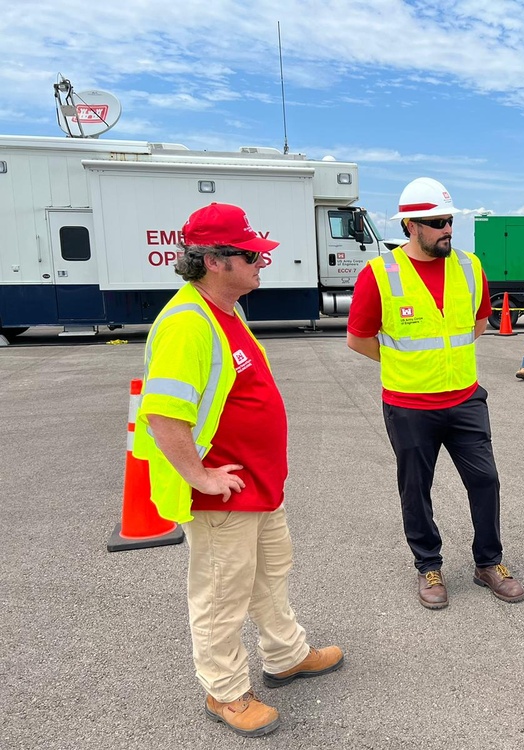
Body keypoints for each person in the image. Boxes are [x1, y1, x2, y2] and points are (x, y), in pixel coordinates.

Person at [133, 203, 344, 738]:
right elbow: (162, 412)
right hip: (223, 493)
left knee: (270, 575)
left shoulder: (224, 312)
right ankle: (224, 691)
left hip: (258, 484)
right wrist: (201, 477)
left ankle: (286, 655)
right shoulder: (187, 322)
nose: (261, 262)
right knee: (221, 593)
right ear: (214, 261)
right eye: (251, 255)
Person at [346, 177, 524, 610]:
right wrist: (407, 366)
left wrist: (447, 364)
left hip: (465, 401)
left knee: (485, 481)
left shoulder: (469, 266)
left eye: (449, 220)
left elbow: (478, 323)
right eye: (436, 222)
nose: (447, 229)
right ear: (411, 225)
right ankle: (428, 566)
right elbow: (359, 339)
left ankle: (488, 563)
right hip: (409, 407)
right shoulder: (379, 274)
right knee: (415, 489)